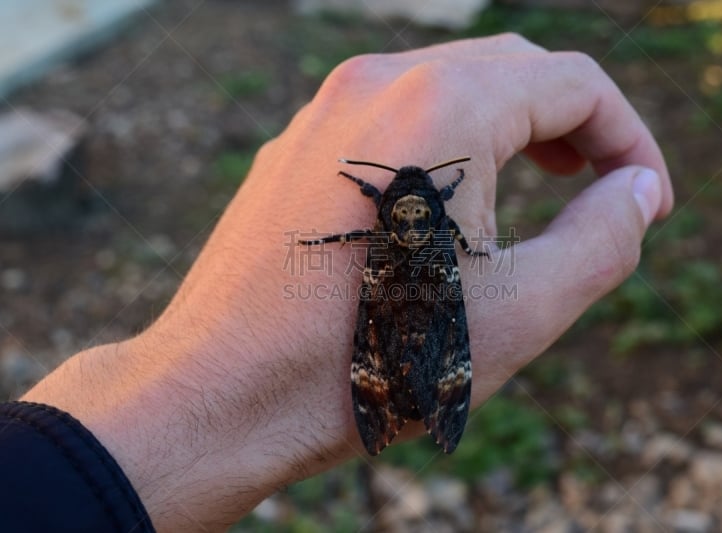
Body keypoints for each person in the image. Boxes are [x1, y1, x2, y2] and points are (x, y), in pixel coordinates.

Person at [1, 34, 673, 532]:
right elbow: (452, 232)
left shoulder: (381, 232)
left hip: (393, 294)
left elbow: (364, 232)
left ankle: (404, 398)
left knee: (383, 323)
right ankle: (426, 399)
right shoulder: (435, 229)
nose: (409, 204)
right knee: (431, 325)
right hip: (434, 289)